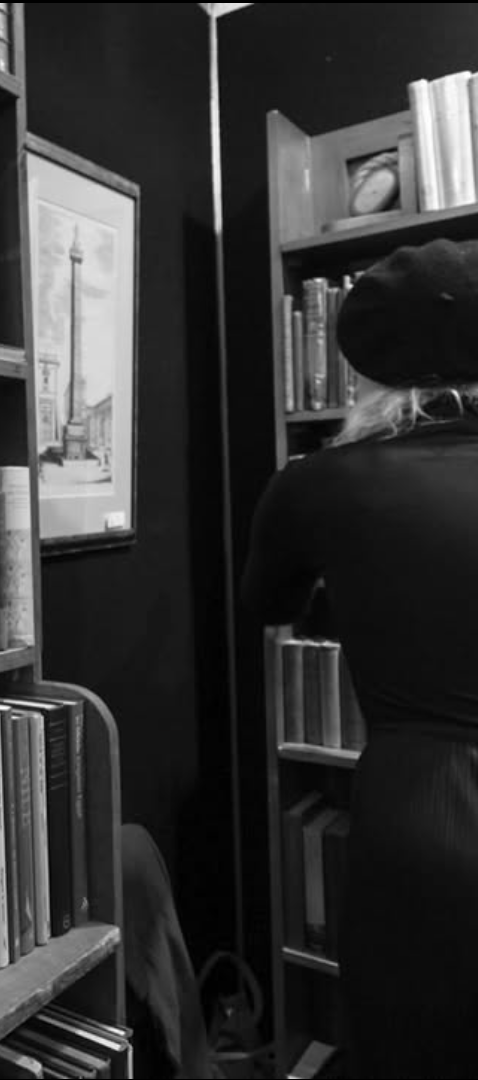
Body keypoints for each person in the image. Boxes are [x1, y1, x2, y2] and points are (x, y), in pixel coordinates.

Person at [241, 237, 478, 1078]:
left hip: (416, 816)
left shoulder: (317, 481)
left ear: (365, 360)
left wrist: (354, 600)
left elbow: (265, 607)